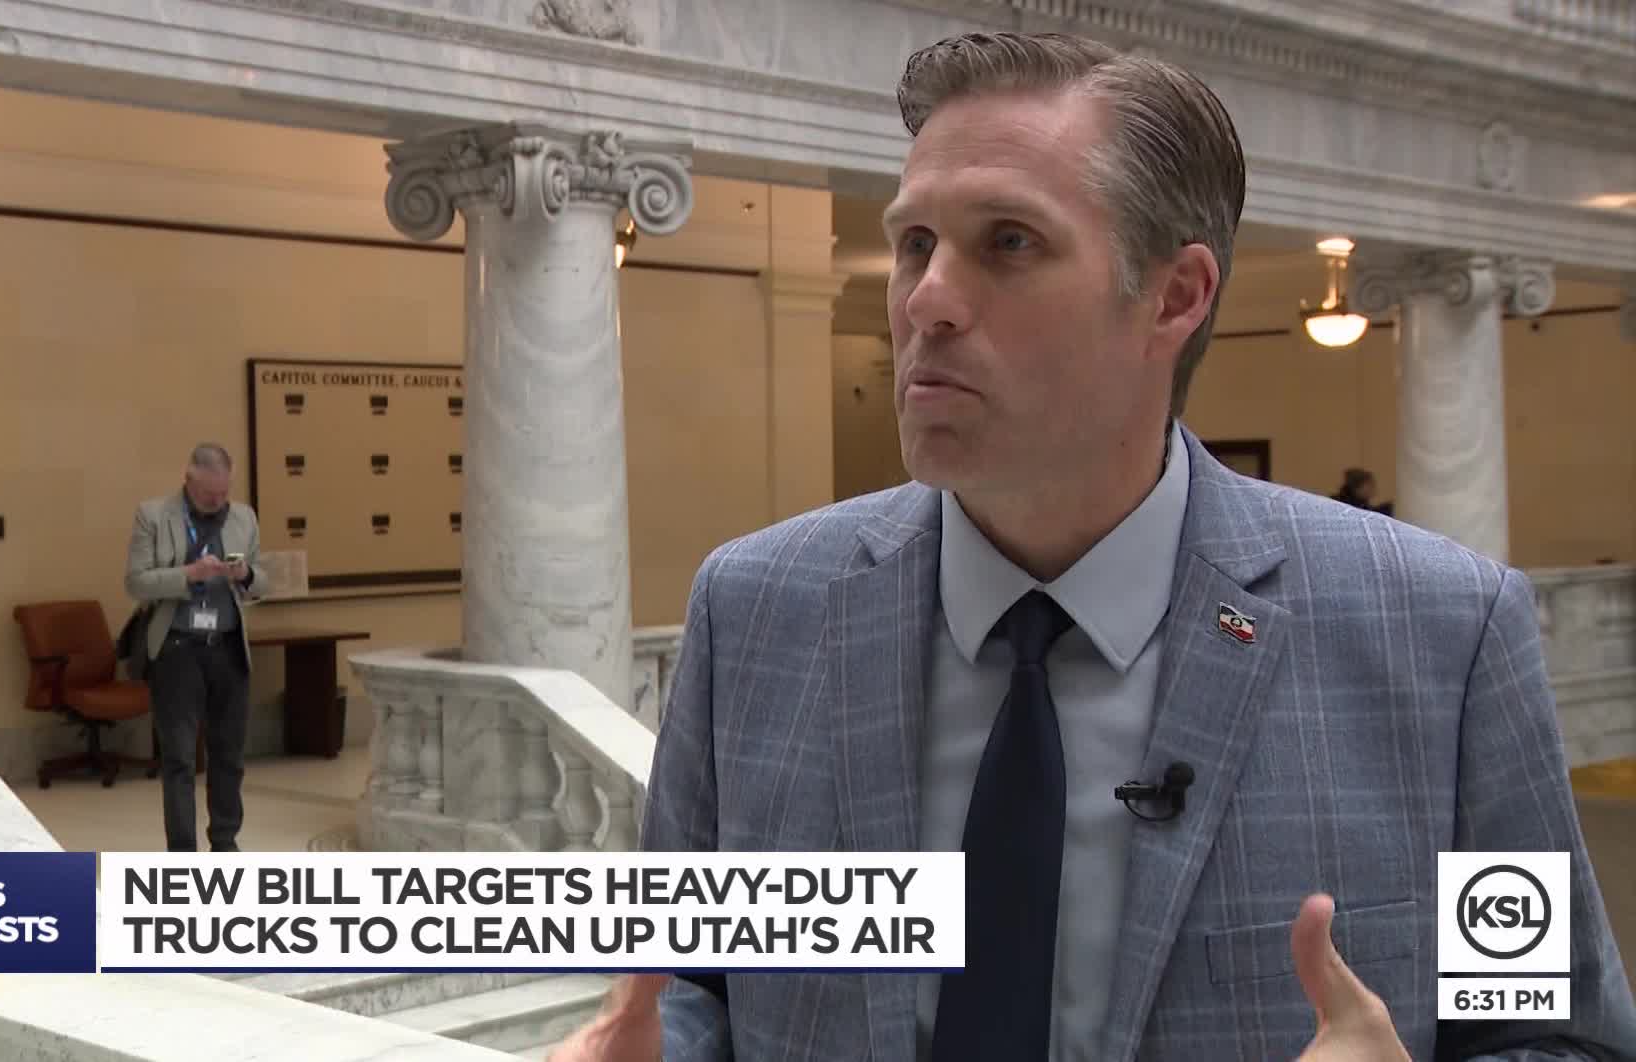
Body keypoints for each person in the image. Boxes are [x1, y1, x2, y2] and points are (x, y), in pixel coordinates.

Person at [551, 30, 1635, 1062]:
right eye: (914, 244)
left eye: (1008, 243)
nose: (926, 300)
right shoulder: (756, 610)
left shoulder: (1440, 636)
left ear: (1174, 296)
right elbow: (692, 982)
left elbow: (1556, 1035)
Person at [125, 443, 266, 852]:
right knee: (180, 758)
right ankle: (183, 851)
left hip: (227, 647)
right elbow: (136, 582)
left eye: (224, 493)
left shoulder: (244, 517)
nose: (218, 502)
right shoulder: (153, 515)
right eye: (209, 495)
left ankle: (225, 841)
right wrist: (188, 574)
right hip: (178, 648)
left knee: (229, 754)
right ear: (188, 481)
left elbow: (262, 582)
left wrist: (246, 575)